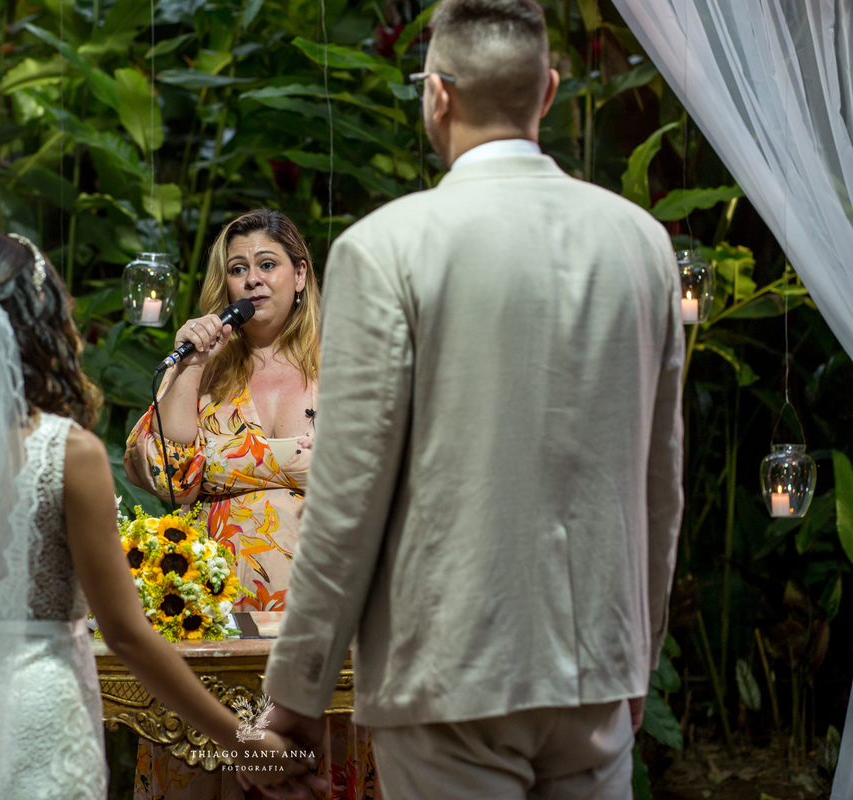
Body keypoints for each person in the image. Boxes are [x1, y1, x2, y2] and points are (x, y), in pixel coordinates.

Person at [259, 1, 685, 798]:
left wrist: (298, 691)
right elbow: (661, 481)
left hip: (446, 670)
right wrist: (638, 658)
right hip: (595, 670)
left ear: (437, 96)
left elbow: (348, 495)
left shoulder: (386, 249)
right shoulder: (642, 244)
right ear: (548, 93)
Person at [0, 229, 310, 800]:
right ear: (42, 321)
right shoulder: (67, 453)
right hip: (40, 715)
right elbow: (126, 634)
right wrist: (241, 738)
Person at [125, 210, 375, 798]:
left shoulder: (343, 365)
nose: (253, 280)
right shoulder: (208, 376)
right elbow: (166, 472)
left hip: (322, 623)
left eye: (268, 265)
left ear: (299, 275)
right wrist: (190, 365)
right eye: (238, 269)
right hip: (215, 620)